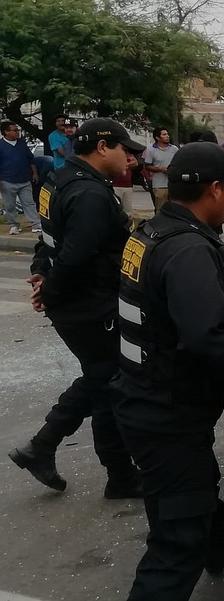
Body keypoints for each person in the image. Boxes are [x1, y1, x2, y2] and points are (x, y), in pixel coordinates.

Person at [113, 142, 224, 600]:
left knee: (198, 484)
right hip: (167, 411)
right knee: (176, 543)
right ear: (215, 189)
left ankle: (218, 542)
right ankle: (196, 547)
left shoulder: (152, 232)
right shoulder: (188, 248)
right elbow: (210, 335)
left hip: (145, 395)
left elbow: (188, 304)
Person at [8, 118, 145, 497]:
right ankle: (118, 476)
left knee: (101, 378)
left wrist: (41, 273)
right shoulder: (89, 194)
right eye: (124, 149)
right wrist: (49, 289)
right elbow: (74, 256)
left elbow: (50, 238)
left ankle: (44, 448)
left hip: (76, 302)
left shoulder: (58, 179)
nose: (130, 158)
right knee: (109, 383)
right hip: (90, 305)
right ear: (102, 148)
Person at [0, 121, 41, 235]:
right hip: (7, 181)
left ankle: (36, 224)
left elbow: (30, 159)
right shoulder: (1, 145)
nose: (17, 132)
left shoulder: (22, 143)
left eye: (18, 130)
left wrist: (35, 173)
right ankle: (14, 225)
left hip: (25, 180)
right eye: (15, 130)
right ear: (6, 132)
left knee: (29, 203)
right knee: (10, 205)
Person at [144, 126, 180, 213]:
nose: (167, 136)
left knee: (174, 210)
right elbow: (147, 166)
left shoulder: (174, 149)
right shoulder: (150, 149)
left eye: (167, 134)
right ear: (157, 137)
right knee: (160, 210)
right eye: (164, 134)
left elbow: (179, 164)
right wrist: (160, 169)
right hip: (159, 185)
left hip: (173, 184)